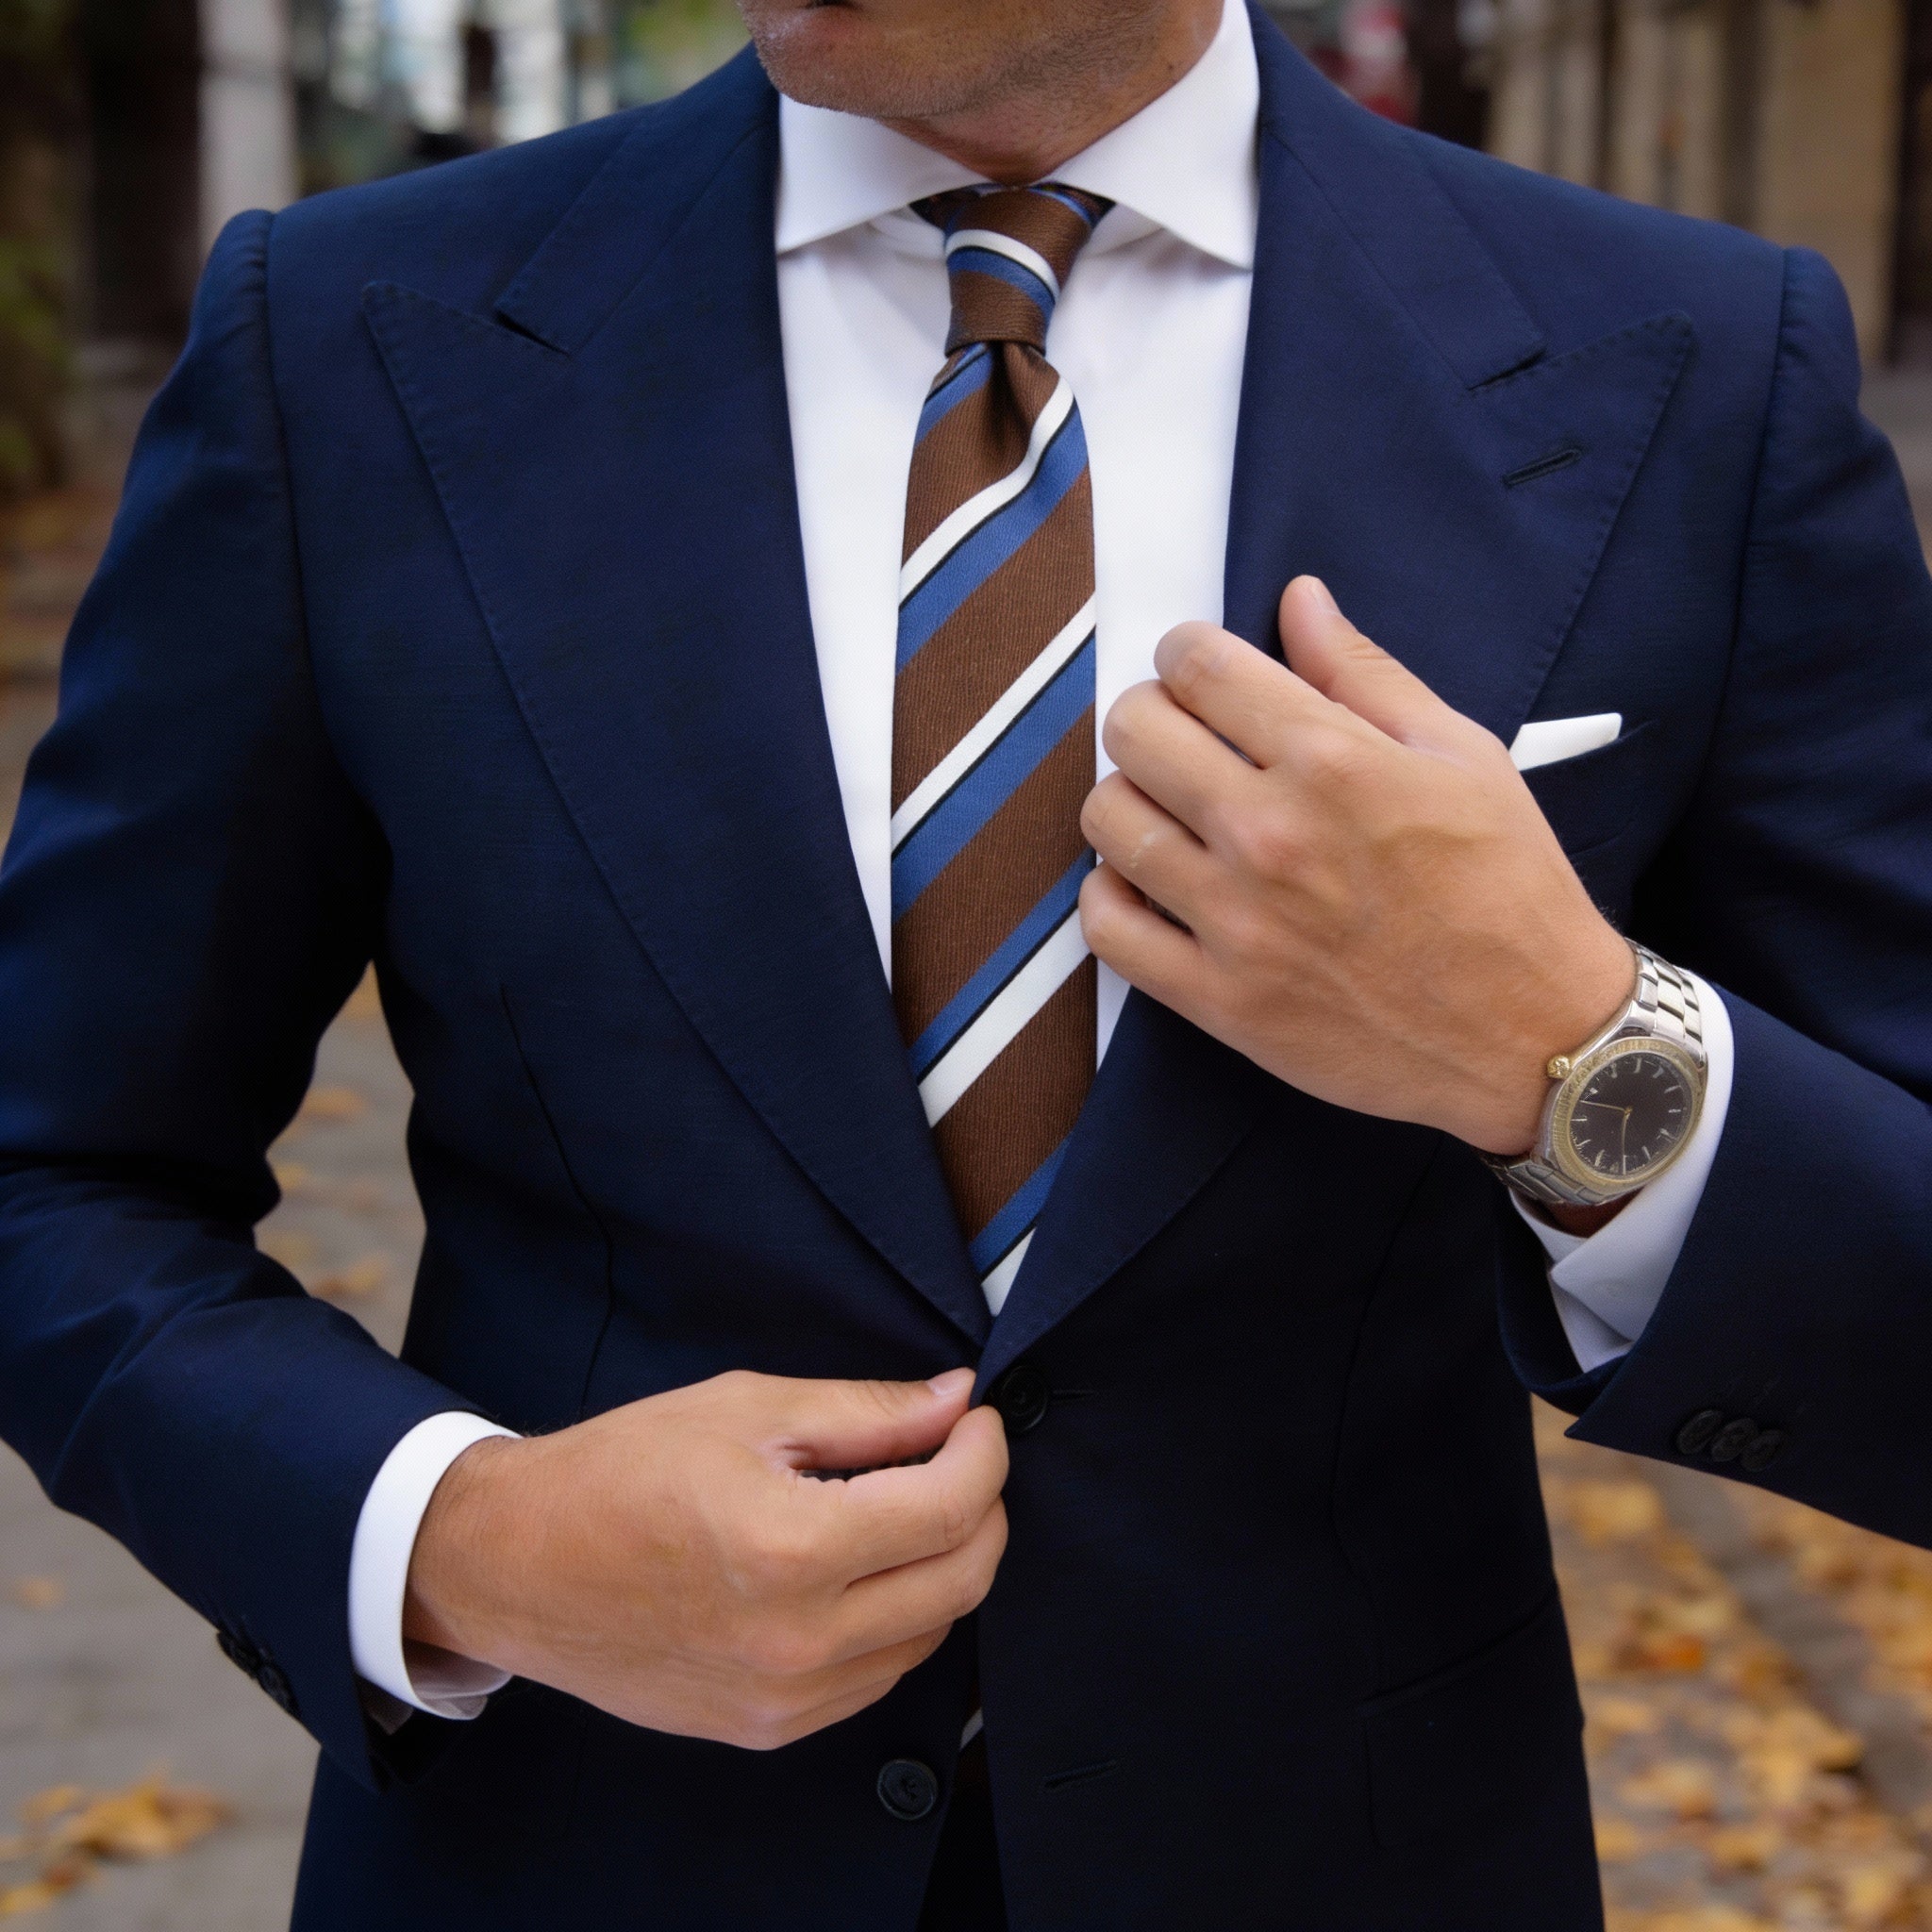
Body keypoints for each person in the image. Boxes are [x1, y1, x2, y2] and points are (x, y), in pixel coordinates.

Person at [1, 0, 1928, 1923]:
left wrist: (1571, 1054)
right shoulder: (345, 336)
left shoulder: (1689, 367)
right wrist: (457, 1540)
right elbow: (55, 1169)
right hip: (569, 1855)